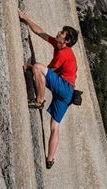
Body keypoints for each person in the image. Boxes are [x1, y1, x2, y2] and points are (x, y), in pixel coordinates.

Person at [18, 9, 78, 169]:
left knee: (37, 67)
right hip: (68, 93)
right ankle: (50, 159)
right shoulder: (59, 45)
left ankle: (39, 100)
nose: (58, 33)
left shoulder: (64, 53)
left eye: (62, 33)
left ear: (66, 41)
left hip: (64, 88)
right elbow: (40, 32)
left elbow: (46, 70)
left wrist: (29, 66)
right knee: (55, 126)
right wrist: (26, 18)